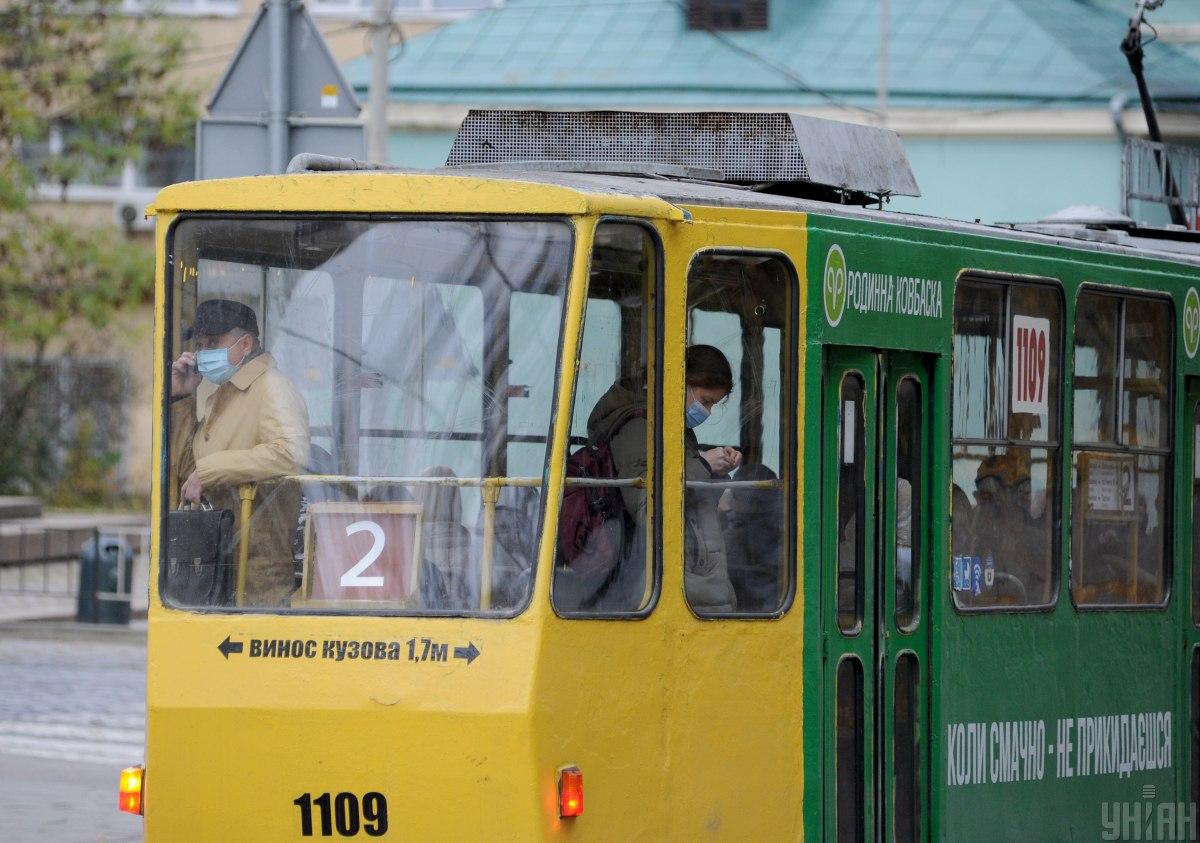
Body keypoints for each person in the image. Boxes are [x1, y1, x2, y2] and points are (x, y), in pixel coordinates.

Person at [169, 299, 310, 607]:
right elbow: (190, 468)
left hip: (258, 572)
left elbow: (291, 453)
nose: (202, 354)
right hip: (222, 563)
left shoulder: (272, 387)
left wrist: (209, 473)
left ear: (245, 344)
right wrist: (181, 397)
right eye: (200, 345)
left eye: (213, 343)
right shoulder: (226, 393)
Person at [681, 344, 740, 613]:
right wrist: (704, 464)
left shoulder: (684, 433)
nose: (707, 412)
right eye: (705, 401)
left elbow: (696, 497)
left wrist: (718, 469)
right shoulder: (638, 425)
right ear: (682, 383)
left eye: (713, 405)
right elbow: (649, 497)